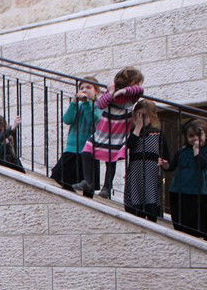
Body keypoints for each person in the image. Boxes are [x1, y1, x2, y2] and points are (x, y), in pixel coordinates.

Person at [84, 67, 145, 200]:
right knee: (87, 150)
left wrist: (123, 91)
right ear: (131, 80)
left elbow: (139, 90)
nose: (138, 85)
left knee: (111, 159)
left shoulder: (132, 95)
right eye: (137, 82)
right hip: (104, 129)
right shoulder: (111, 91)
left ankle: (107, 187)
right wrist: (111, 92)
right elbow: (100, 104)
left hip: (118, 132)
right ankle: (88, 182)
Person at [160, 119, 207, 241]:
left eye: (198, 135)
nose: (194, 138)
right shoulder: (182, 151)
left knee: (201, 226)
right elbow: (172, 167)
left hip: (198, 193)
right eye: (191, 136)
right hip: (178, 191)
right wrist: (165, 165)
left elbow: (204, 165)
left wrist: (196, 150)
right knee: (182, 226)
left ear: (206, 134)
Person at [123, 100, 168, 222]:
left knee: (151, 198)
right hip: (135, 171)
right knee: (135, 200)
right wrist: (137, 128)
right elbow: (130, 145)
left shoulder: (157, 133)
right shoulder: (133, 133)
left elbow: (166, 156)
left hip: (151, 172)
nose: (142, 119)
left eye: (145, 116)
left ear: (151, 116)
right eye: (139, 115)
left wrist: (164, 164)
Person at [57, 77, 103, 194]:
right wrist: (73, 103)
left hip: (89, 151)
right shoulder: (78, 105)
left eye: (88, 87)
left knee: (88, 187)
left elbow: (94, 120)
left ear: (96, 91)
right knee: (60, 176)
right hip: (72, 149)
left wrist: (87, 103)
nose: (84, 90)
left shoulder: (99, 106)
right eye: (82, 88)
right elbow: (67, 119)